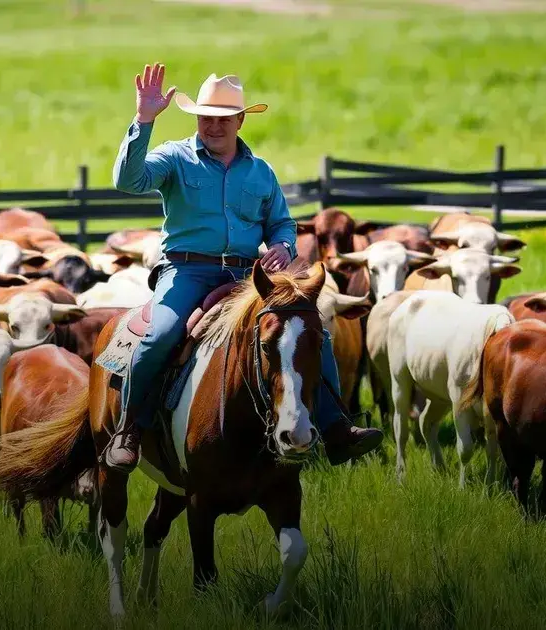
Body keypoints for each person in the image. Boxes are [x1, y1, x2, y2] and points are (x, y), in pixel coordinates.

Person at [105, 63, 383, 473]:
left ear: (239, 119)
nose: (212, 126)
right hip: (186, 272)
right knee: (160, 333)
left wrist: (284, 247)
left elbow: (282, 223)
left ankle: (335, 426)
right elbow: (129, 181)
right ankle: (128, 428)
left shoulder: (260, 170)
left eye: (222, 119)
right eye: (205, 117)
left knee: (313, 333)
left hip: (245, 277)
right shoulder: (175, 158)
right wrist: (143, 121)